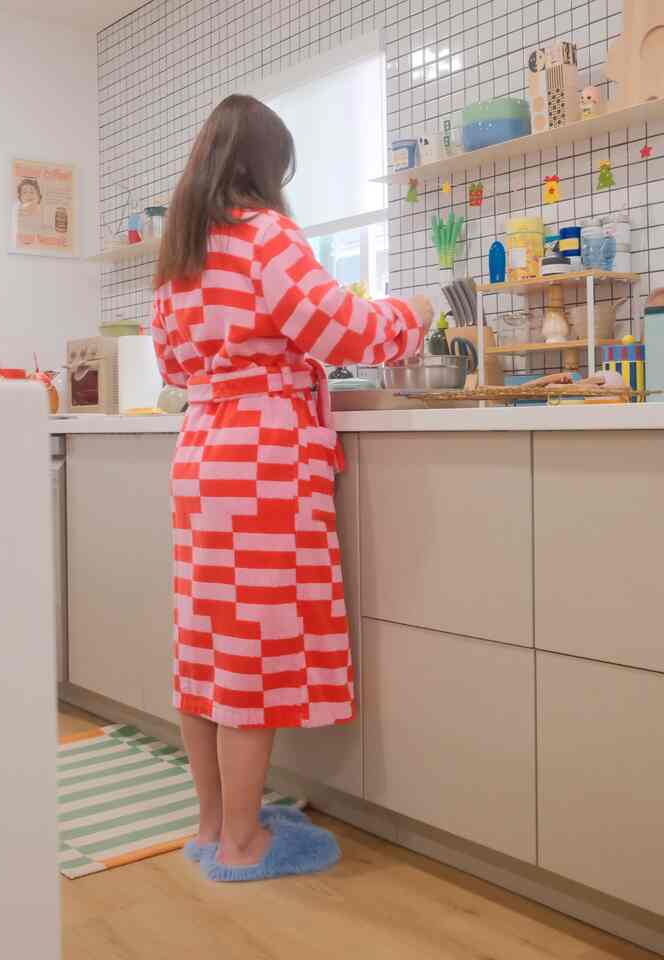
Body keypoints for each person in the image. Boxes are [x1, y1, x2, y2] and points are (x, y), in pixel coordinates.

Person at [151, 94, 432, 883]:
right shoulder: (266, 235)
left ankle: (212, 826)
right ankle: (246, 845)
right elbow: (344, 330)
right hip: (263, 454)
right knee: (252, 650)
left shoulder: (183, 255)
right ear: (266, 167)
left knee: (205, 647)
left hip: (203, 451)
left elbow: (174, 368)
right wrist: (411, 313)